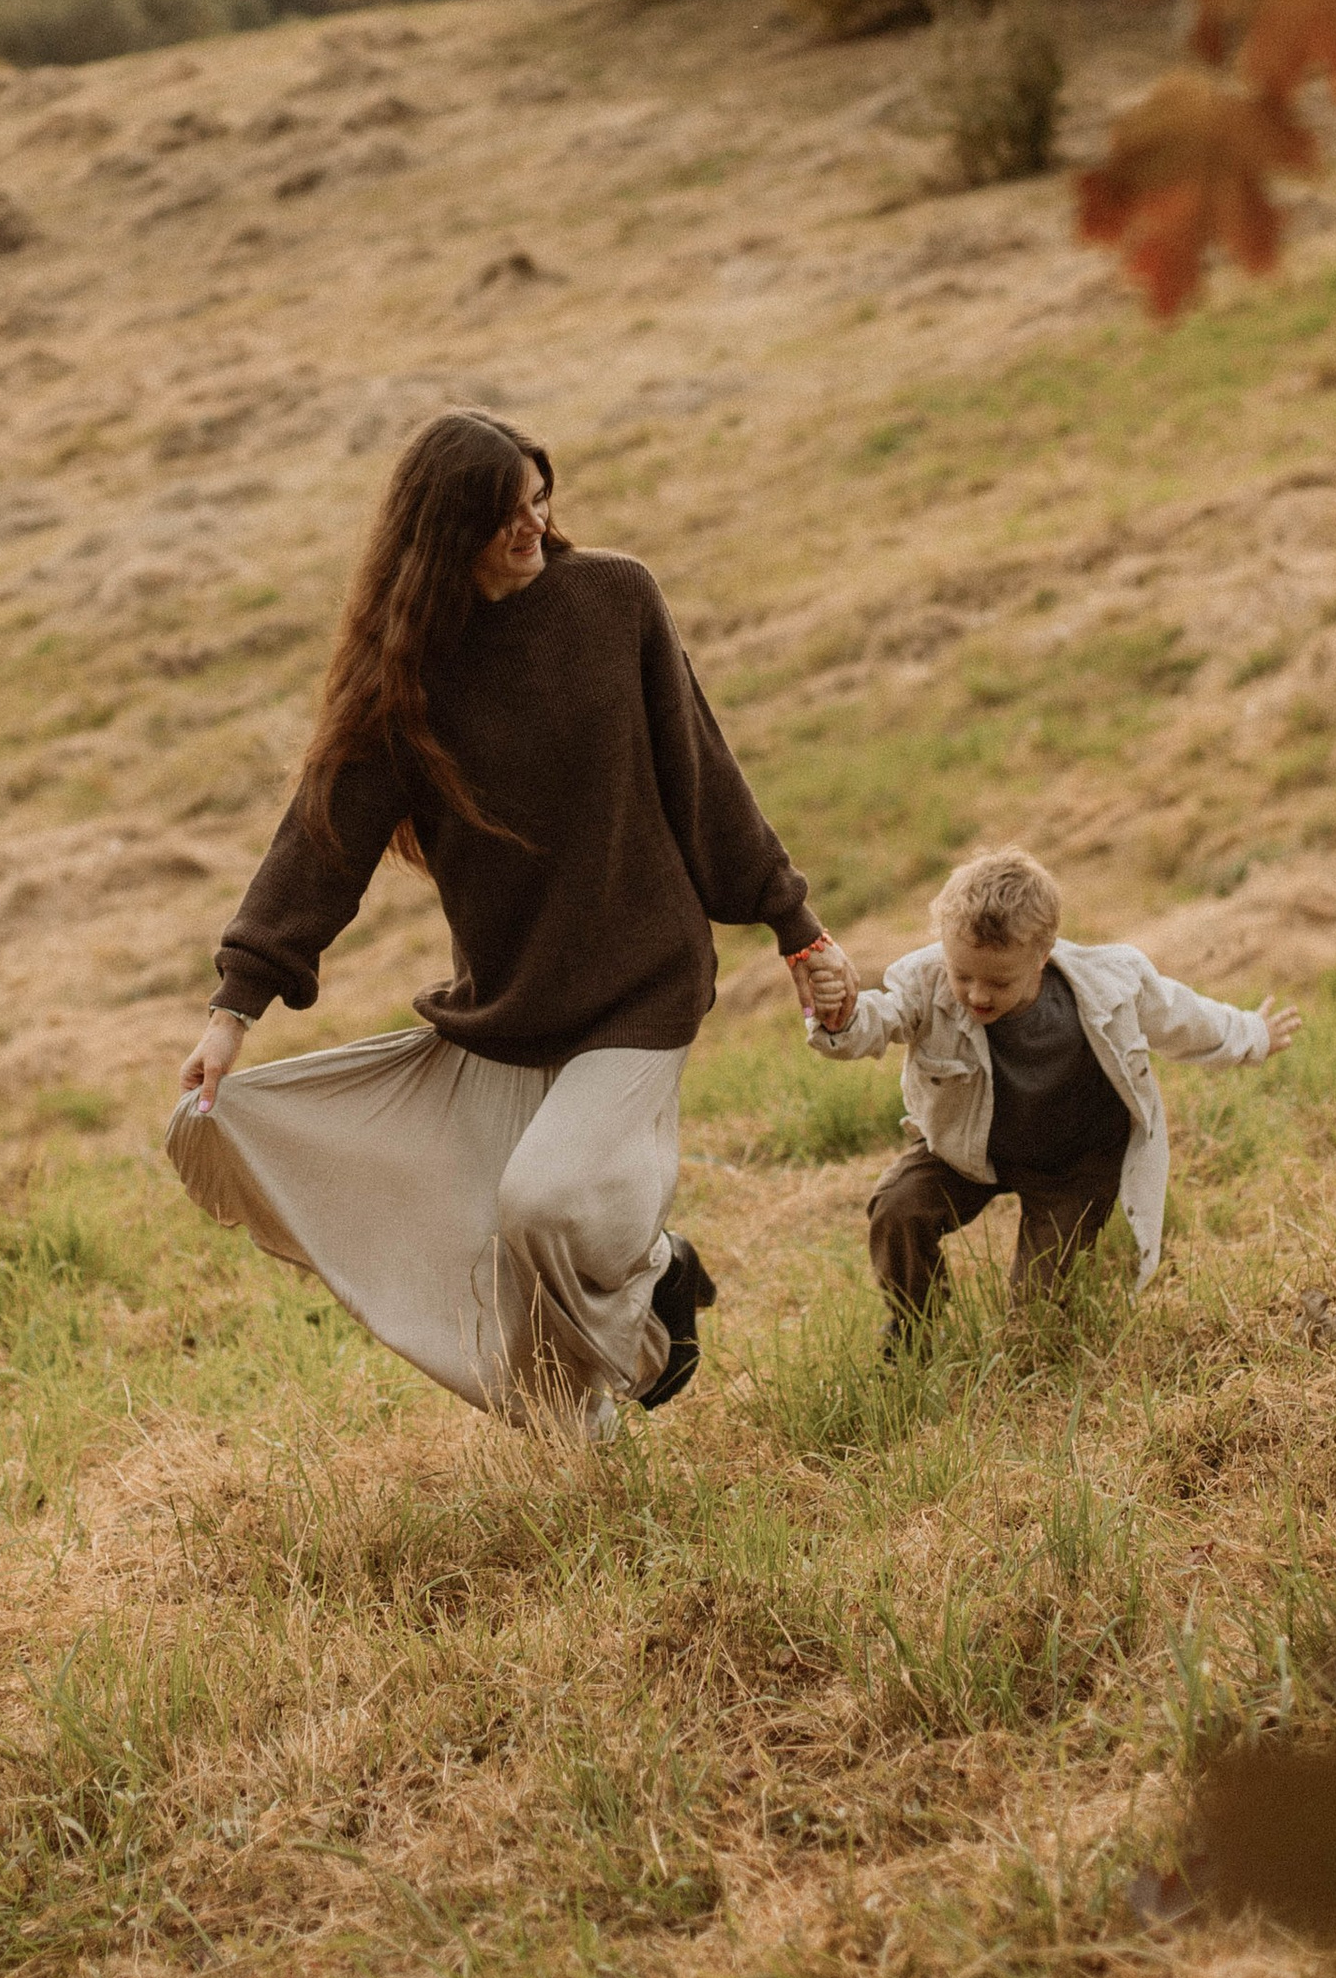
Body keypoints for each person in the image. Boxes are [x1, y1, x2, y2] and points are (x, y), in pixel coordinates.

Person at [165, 411, 853, 1434]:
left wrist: (792, 925)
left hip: (642, 980)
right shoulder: (405, 682)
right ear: (445, 535)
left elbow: (699, 771)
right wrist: (234, 1008)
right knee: (522, 1293)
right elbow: (319, 845)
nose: (532, 526)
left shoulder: (615, 600)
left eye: (540, 500)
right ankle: (580, 1479)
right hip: (513, 1003)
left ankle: (659, 1279)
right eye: (505, 515)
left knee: (542, 1205)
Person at [807, 845, 1300, 1358]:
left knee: (1036, 1323)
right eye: (962, 975)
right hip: (969, 1149)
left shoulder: (1109, 985)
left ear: (1042, 956)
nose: (976, 994)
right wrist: (841, 1018)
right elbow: (879, 1018)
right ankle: (913, 1330)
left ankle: (1037, 1330)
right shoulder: (927, 982)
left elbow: (1183, 1018)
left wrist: (1252, 1033)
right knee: (898, 1207)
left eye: (998, 981)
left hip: (1074, 1166)